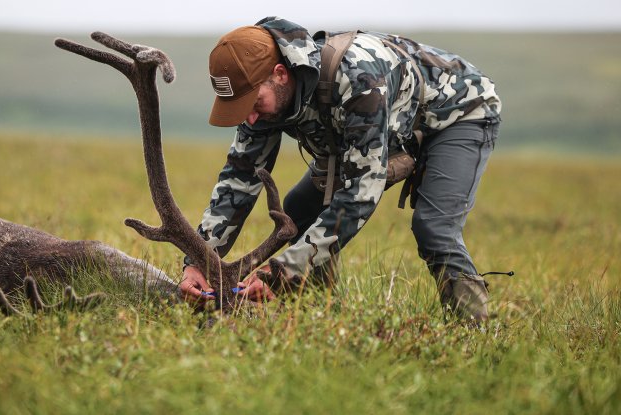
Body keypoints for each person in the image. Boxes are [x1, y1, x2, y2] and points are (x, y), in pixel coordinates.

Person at [179, 17, 501, 321]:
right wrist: (200, 262)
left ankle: (473, 330)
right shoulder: (260, 101)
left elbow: (361, 193)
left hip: (459, 113)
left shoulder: (358, 80)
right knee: (300, 209)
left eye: (252, 103)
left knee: (435, 228)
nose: (248, 118)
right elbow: (240, 178)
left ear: (279, 74)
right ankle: (321, 316)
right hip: (391, 125)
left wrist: (285, 271)